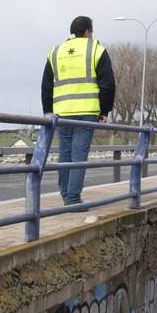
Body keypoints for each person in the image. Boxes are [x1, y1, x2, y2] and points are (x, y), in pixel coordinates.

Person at [40, 15, 115, 208]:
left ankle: (66, 194)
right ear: (88, 31)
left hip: (61, 112)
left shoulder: (55, 52)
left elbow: (46, 86)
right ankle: (72, 199)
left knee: (65, 155)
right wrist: (104, 110)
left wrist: (48, 112)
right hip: (86, 111)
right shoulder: (96, 49)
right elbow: (107, 84)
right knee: (79, 156)